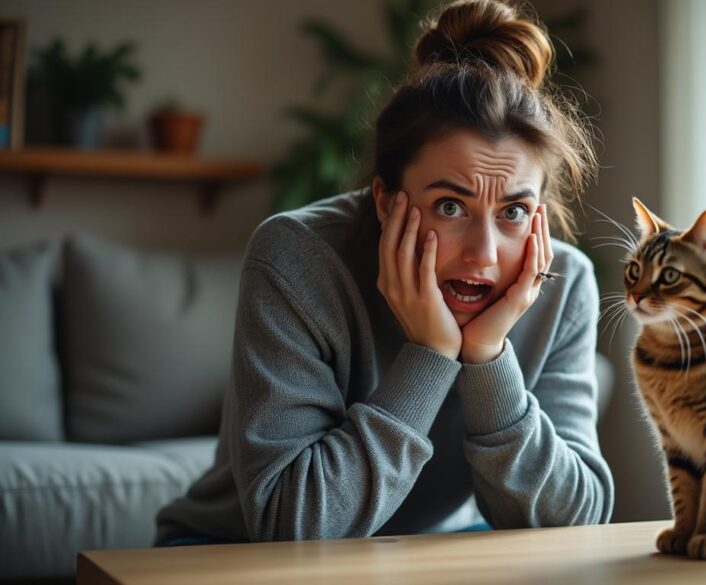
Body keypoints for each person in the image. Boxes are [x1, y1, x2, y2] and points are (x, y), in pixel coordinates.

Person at [154, 0, 613, 545]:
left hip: (427, 554)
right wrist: (431, 357)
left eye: (513, 212)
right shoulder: (296, 259)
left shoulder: (565, 286)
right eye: (450, 206)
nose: (484, 255)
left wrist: (488, 361)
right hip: (228, 556)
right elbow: (291, 526)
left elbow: (578, 521)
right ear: (385, 201)